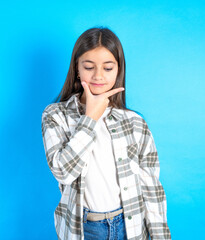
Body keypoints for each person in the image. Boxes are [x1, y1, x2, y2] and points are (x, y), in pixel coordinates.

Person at [41, 27, 171, 240]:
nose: (98, 76)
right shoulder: (55, 115)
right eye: (89, 67)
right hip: (84, 229)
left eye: (108, 68)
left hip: (130, 226)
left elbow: (152, 188)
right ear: (77, 69)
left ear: (118, 70)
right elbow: (63, 171)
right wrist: (90, 118)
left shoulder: (135, 122)